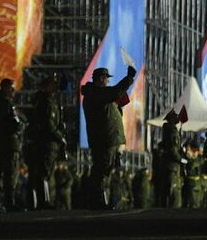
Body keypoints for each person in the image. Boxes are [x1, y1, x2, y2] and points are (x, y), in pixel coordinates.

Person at [80, 64, 135, 209]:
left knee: (104, 170)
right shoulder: (95, 94)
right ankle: (97, 201)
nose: (107, 82)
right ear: (100, 79)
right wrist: (129, 78)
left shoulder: (98, 94)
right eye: (106, 79)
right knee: (102, 171)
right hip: (103, 139)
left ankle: (99, 201)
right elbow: (115, 92)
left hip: (107, 139)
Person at [25, 73, 67, 209]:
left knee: (45, 172)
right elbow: (48, 123)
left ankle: (43, 201)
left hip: (48, 141)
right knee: (43, 172)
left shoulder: (48, 100)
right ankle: (44, 201)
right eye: (52, 84)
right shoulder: (45, 102)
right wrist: (59, 135)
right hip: (46, 141)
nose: (55, 87)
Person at [0, 78, 23, 211]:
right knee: (10, 173)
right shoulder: (5, 104)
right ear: (5, 88)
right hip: (8, 143)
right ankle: (9, 202)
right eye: (11, 87)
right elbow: (11, 124)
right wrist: (19, 126)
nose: (13, 90)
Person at [151, 111, 184, 208]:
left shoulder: (168, 130)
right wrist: (180, 159)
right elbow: (173, 149)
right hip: (172, 166)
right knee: (173, 195)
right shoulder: (172, 131)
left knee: (168, 193)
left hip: (169, 166)